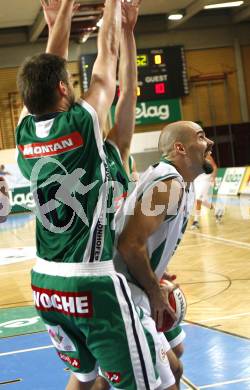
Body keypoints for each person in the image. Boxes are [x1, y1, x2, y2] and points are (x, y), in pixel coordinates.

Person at [15, 1, 164, 389]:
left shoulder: (25, 131)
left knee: (82, 380)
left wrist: (61, 18)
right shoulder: (85, 124)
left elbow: (48, 72)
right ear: (65, 89)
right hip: (90, 281)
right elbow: (109, 61)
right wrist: (114, 10)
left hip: (45, 281)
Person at [112, 121, 214, 388]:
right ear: (180, 148)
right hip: (123, 292)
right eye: (201, 137)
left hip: (132, 283)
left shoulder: (182, 183)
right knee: (166, 377)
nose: (210, 143)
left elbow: (142, 240)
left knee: (176, 360)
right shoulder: (169, 186)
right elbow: (129, 244)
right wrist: (154, 290)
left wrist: (156, 268)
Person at [191, 154, 222, 229]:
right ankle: (217, 210)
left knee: (199, 199)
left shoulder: (207, 155)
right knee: (202, 200)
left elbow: (214, 167)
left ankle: (196, 221)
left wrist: (213, 177)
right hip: (197, 179)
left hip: (206, 178)